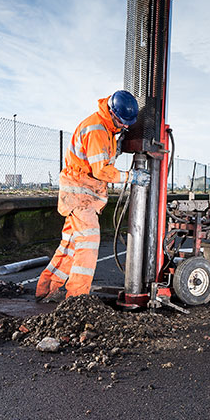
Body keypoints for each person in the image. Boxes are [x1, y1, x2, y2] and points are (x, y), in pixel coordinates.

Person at [35, 90, 150, 302]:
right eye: (123, 122)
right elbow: (100, 171)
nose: (125, 126)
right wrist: (130, 176)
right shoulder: (97, 129)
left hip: (81, 196)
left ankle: (46, 288)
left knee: (69, 246)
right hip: (80, 197)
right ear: (113, 113)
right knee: (89, 241)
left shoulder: (106, 128)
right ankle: (77, 298)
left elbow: (99, 159)